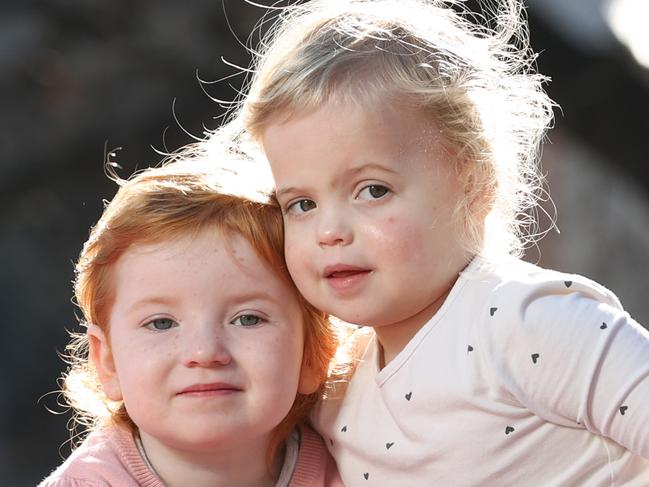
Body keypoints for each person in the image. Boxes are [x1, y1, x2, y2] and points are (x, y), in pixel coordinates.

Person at [221, 0, 649, 484]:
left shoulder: (527, 322)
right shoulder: (334, 387)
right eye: (301, 204)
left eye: (373, 191)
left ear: (472, 180)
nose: (329, 231)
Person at [39, 154, 343, 486]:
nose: (204, 352)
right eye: (161, 323)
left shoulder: (359, 464)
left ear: (317, 352)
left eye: (247, 319)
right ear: (108, 362)